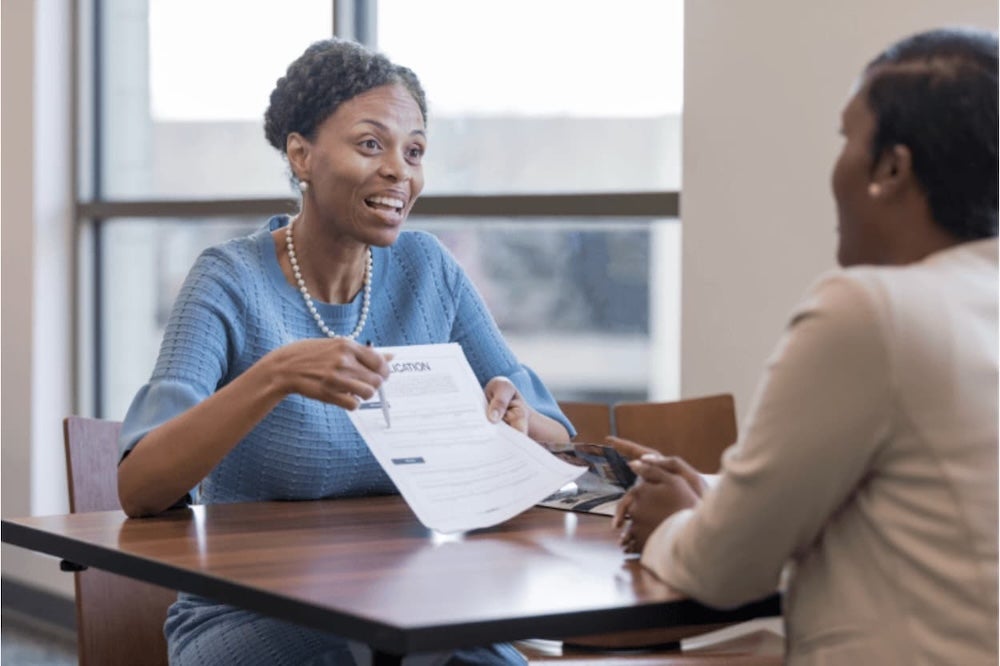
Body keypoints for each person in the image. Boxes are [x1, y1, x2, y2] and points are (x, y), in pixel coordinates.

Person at [117, 38, 572, 666]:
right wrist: (273, 375)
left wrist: (511, 417)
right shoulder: (229, 279)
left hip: (417, 603)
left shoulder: (429, 269)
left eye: (414, 152)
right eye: (370, 144)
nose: (399, 171)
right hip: (258, 611)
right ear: (300, 155)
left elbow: (557, 439)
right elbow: (140, 486)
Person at [612, 27, 998, 665]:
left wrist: (675, 524)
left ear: (891, 169)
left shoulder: (871, 310)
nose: (836, 166)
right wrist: (720, 510)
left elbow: (719, 570)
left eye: (847, 139)